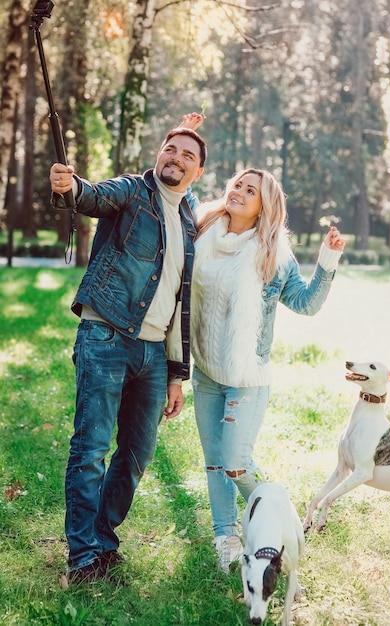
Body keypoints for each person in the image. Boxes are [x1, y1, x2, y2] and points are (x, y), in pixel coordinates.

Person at [49, 121, 207, 584]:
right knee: (92, 447)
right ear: (157, 154)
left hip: (154, 354)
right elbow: (91, 195)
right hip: (106, 337)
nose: (175, 158)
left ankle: (102, 538)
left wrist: (179, 375)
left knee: (137, 452)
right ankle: (82, 557)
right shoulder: (133, 192)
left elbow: (182, 305)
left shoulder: (188, 218)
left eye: (187, 156)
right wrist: (69, 187)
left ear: (197, 172)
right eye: (169, 149)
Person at [189, 165, 346, 573]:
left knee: (236, 462)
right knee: (214, 462)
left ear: (264, 206)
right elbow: (180, 183)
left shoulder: (274, 255)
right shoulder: (204, 233)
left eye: (250, 190)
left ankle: (283, 520)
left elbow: (306, 304)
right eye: (237, 185)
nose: (238, 191)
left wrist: (328, 260)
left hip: (247, 378)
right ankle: (225, 536)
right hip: (205, 372)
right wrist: (187, 134)